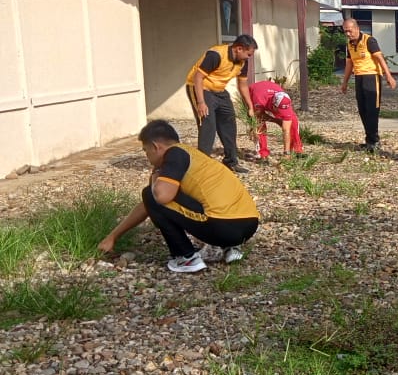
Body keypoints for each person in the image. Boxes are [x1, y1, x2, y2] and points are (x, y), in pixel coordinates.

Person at [98, 120, 260, 273]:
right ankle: (230, 247)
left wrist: (155, 175)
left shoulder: (174, 155)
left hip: (224, 227)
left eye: (146, 151)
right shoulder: (193, 156)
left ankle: (186, 257)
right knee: (158, 195)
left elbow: (159, 197)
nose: (147, 157)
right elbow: (148, 206)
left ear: (155, 146)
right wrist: (113, 236)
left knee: (151, 193)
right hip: (248, 225)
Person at [185, 34, 258, 174]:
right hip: (200, 88)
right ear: (238, 48)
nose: (249, 57)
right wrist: (201, 102)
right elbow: (197, 78)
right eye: (248, 54)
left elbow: (242, 85)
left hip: (219, 90)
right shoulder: (216, 55)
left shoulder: (242, 61)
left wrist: (250, 106)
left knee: (229, 122)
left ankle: (231, 162)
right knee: (208, 124)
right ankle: (201, 167)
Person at [341, 18, 397, 153]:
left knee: (372, 110)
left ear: (357, 28)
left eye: (350, 31)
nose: (348, 34)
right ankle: (369, 140)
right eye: (345, 32)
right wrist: (345, 82)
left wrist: (388, 75)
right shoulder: (350, 45)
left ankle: (375, 141)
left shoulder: (369, 41)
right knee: (363, 110)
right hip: (359, 77)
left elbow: (380, 58)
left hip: (372, 77)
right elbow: (349, 64)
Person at [249, 80, 302, 160]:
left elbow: (286, 130)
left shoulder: (285, 100)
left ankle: (296, 149)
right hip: (254, 94)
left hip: (269, 92)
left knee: (293, 120)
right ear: (273, 106)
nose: (281, 113)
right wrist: (276, 120)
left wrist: (286, 152)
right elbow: (259, 114)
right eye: (279, 110)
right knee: (259, 123)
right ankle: (262, 153)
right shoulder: (260, 99)